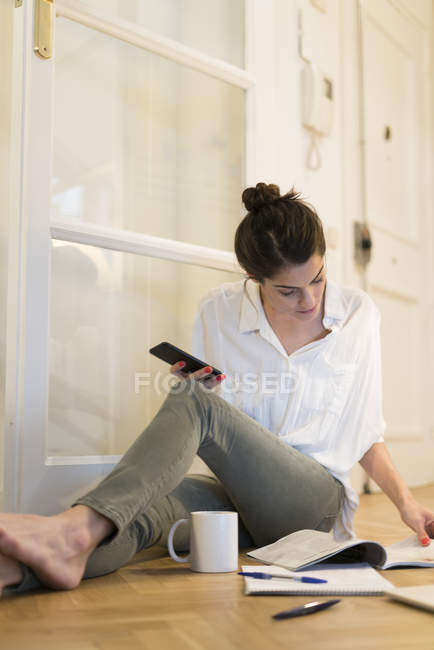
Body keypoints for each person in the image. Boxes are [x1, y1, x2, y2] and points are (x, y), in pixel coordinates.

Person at [0, 183, 432, 596]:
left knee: (195, 402)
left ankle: (71, 529)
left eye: (317, 279)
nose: (309, 300)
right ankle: (19, 569)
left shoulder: (358, 315)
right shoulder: (218, 309)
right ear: (253, 276)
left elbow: (366, 432)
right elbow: (214, 422)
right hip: (235, 491)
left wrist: (407, 506)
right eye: (288, 289)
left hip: (310, 504)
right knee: (147, 511)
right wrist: (199, 394)